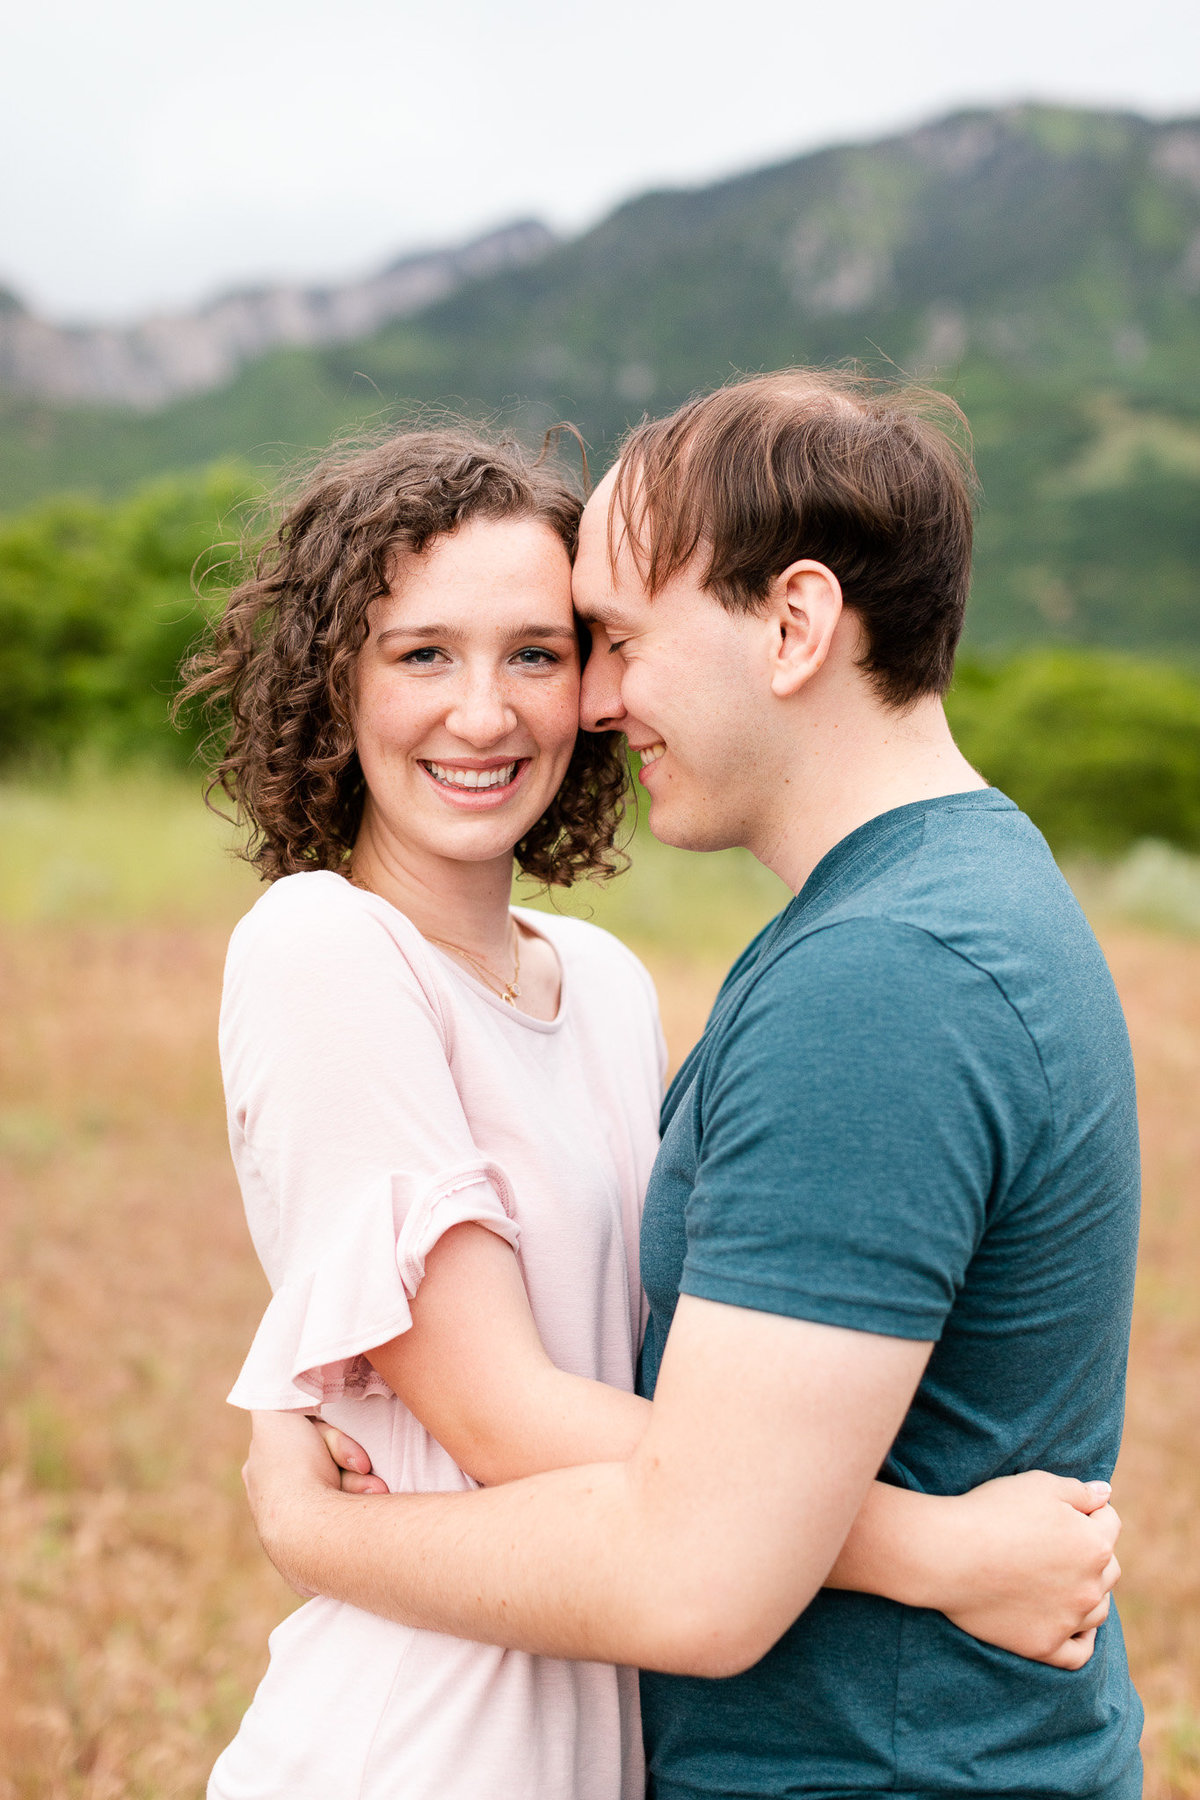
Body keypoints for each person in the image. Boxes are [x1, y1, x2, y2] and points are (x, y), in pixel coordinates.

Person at [241, 380, 1142, 1800]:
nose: (584, 702)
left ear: (792, 626)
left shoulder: (853, 975)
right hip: (436, 1746)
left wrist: (316, 1529)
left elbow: (703, 1554)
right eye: (421, 652)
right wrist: (940, 1548)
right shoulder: (923, 923)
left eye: (589, 644)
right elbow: (545, 1425)